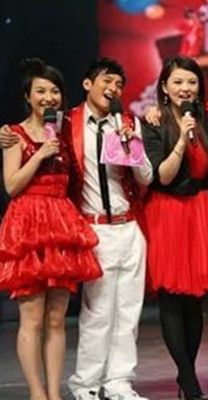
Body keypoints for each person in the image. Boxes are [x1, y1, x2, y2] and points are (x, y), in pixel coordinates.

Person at [2, 58, 154, 400]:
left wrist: (134, 147)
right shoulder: (66, 122)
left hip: (129, 225)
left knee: (128, 312)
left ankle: (119, 383)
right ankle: (86, 384)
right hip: (88, 227)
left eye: (119, 84)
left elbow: (146, 178)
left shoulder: (128, 122)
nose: (113, 89)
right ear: (88, 84)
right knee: (96, 312)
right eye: (107, 81)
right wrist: (8, 136)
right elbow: (26, 143)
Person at [0, 58, 102, 400]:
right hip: (28, 225)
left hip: (60, 222)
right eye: (40, 91)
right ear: (27, 96)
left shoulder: (65, 130)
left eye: (54, 91)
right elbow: (12, 185)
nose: (48, 97)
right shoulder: (13, 134)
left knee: (57, 319)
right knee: (31, 318)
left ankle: (55, 394)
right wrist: (40, 153)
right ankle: (37, 393)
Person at [143, 55, 208, 400]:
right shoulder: (154, 121)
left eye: (191, 82)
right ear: (164, 87)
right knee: (172, 298)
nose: (185, 88)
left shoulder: (207, 118)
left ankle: (186, 377)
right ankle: (189, 381)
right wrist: (181, 139)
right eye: (177, 82)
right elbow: (161, 176)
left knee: (195, 299)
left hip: (199, 210)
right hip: (167, 211)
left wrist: (195, 131)